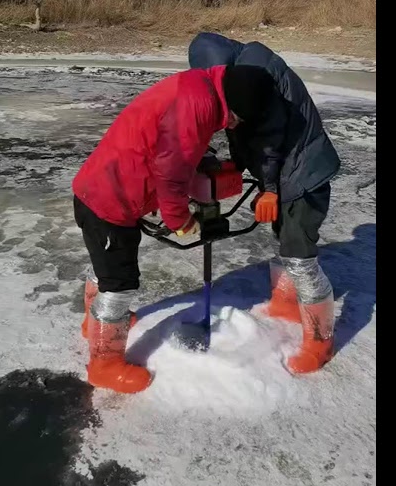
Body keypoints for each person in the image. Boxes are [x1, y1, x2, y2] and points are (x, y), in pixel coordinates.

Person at [71, 64, 276, 394]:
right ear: (237, 106)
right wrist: (180, 221)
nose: (235, 127)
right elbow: (170, 172)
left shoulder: (201, 86)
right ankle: (104, 365)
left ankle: (93, 324)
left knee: (106, 266)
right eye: (239, 119)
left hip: (109, 185)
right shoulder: (199, 106)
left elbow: (171, 143)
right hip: (112, 198)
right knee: (118, 285)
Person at [188, 32, 342, 375]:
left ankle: (320, 343)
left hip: (303, 174)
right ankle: (288, 304)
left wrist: (270, 188)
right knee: (285, 242)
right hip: (286, 171)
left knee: (300, 256)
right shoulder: (239, 71)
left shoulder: (259, 73)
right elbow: (241, 130)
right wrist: (236, 165)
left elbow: (270, 136)